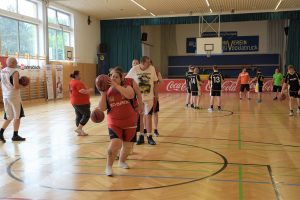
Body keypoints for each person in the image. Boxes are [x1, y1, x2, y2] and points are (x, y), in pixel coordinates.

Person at [98, 67, 137, 176]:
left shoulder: (126, 86)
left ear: (121, 79)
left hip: (130, 121)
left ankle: (122, 161)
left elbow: (130, 95)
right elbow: (102, 108)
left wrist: (116, 86)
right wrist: (102, 94)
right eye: (112, 76)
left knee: (128, 146)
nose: (113, 78)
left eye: (116, 77)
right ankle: (108, 167)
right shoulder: (107, 92)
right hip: (114, 122)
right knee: (115, 143)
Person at [126, 56, 158, 145]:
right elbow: (127, 81)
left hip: (149, 97)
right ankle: (141, 136)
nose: (150, 63)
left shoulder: (152, 68)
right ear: (143, 63)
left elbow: (155, 82)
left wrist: (156, 95)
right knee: (140, 117)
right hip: (138, 98)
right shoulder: (134, 69)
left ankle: (149, 136)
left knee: (148, 116)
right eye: (148, 62)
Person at [0, 57, 26, 143]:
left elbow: (1, 83)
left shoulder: (2, 71)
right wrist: (24, 86)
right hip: (14, 96)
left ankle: (0, 133)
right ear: (13, 63)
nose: (16, 63)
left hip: (5, 96)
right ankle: (15, 135)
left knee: (9, 116)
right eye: (15, 62)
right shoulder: (15, 71)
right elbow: (16, 86)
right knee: (17, 116)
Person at [69, 70, 93, 136]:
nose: (80, 76)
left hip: (74, 102)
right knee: (87, 114)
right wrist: (89, 90)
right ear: (76, 75)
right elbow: (82, 91)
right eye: (79, 74)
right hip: (80, 103)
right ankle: (79, 128)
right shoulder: (78, 82)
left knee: (79, 116)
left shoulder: (72, 81)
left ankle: (79, 131)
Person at [151, 61, 163, 137]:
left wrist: (155, 84)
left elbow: (161, 81)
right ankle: (146, 129)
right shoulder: (141, 72)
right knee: (146, 114)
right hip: (145, 96)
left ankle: (155, 129)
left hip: (153, 96)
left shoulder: (155, 71)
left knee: (154, 113)